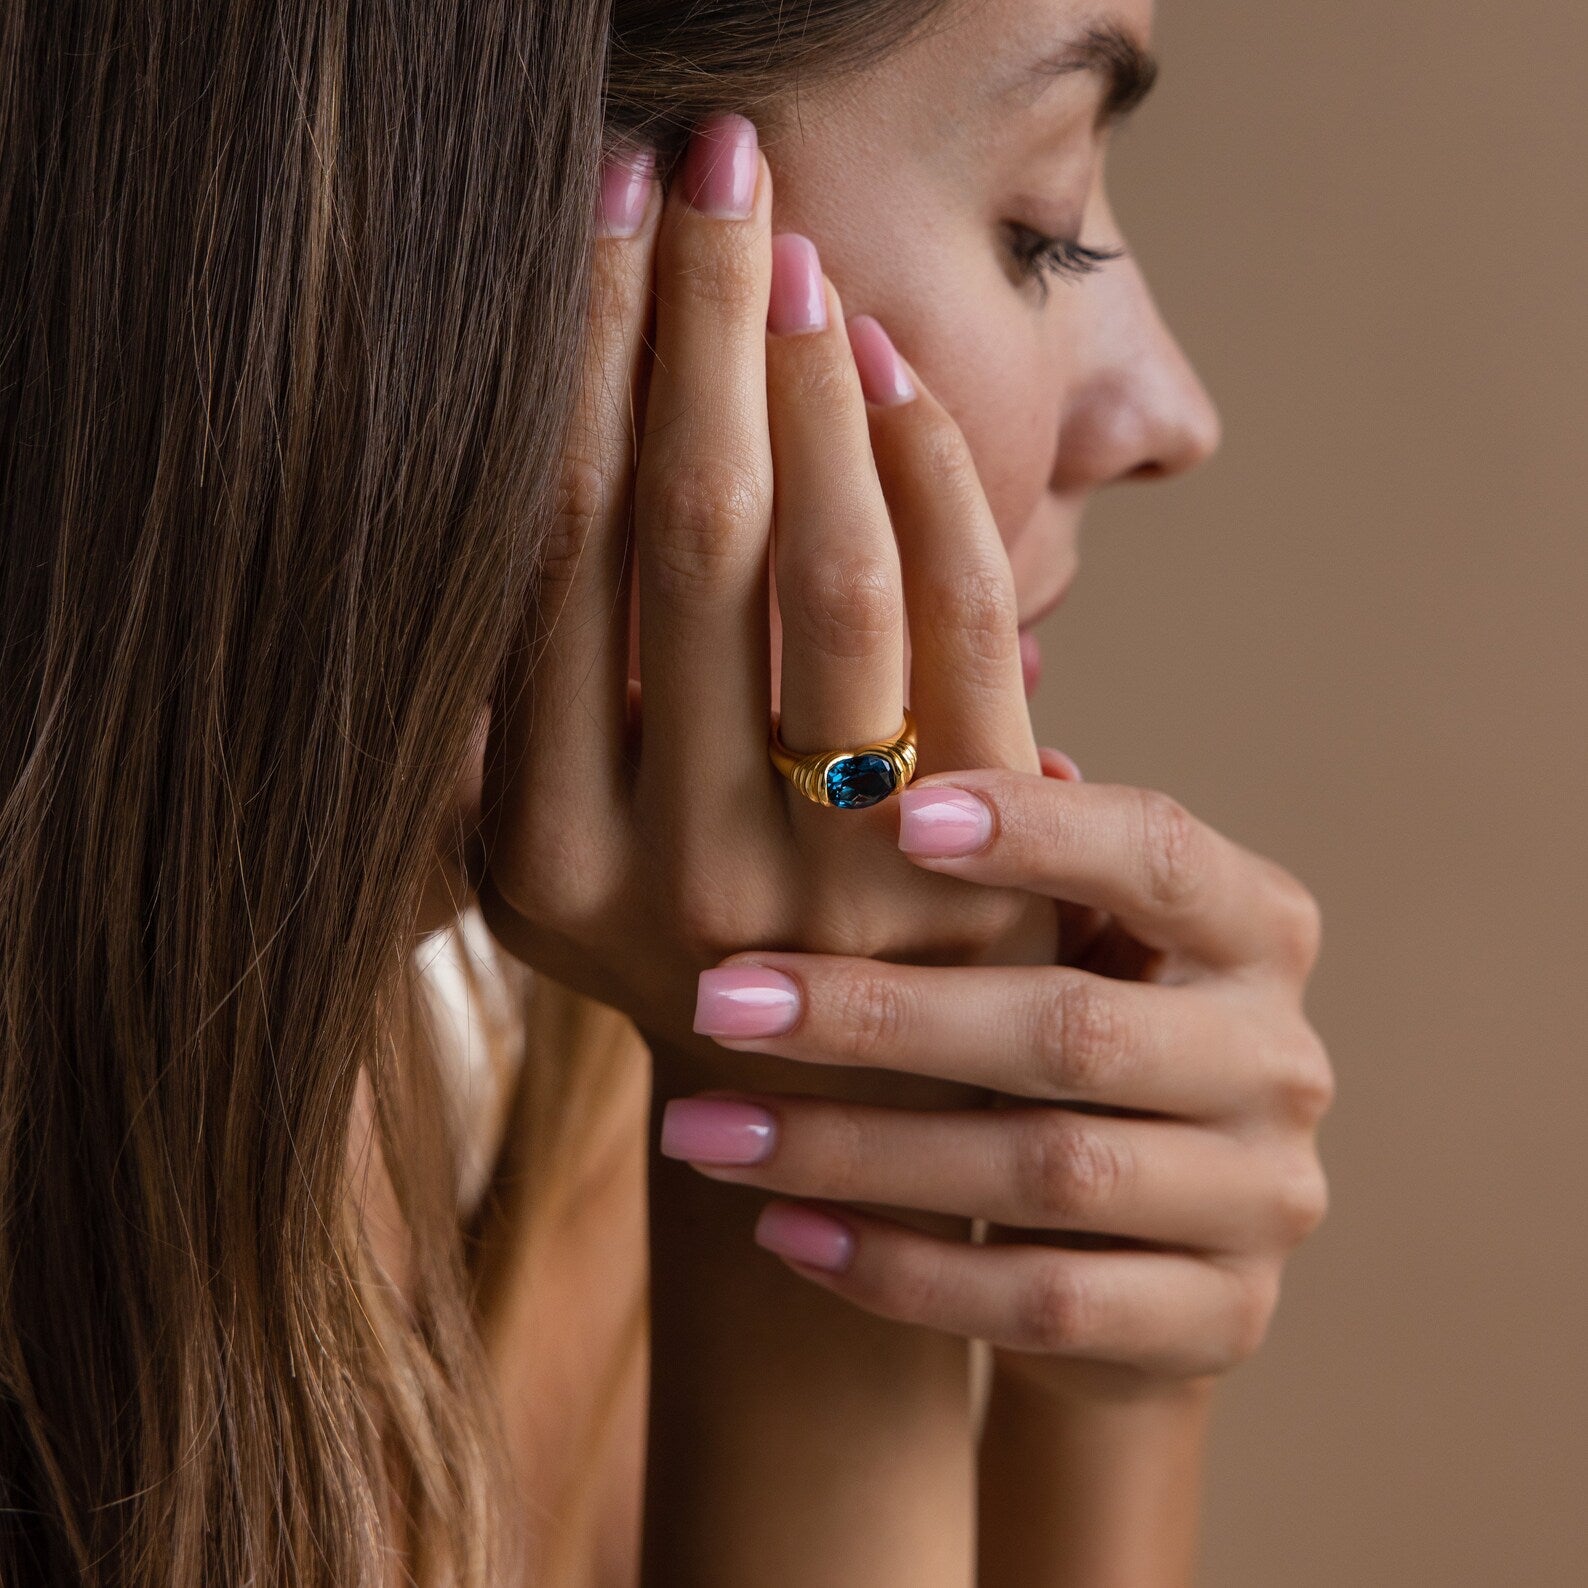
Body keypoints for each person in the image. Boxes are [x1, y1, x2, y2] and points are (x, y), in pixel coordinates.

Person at [0, 0, 1333, 1583]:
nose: (1169, 414)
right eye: (1040, 231)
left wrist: (1106, 1391)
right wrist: (810, 1118)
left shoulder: (531, 1043)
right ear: (469, 238)